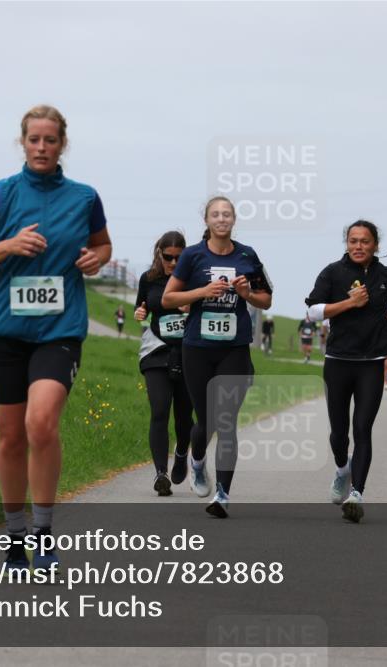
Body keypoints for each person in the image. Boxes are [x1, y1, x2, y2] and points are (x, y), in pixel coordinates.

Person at [0, 104, 112, 572]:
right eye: (33, 140)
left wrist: (97, 259)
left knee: (40, 423)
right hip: (7, 329)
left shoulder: (84, 197)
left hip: (60, 330)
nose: (42, 148)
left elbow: (103, 243)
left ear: (63, 144)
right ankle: (15, 535)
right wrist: (8, 245)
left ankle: (43, 532)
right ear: (21, 143)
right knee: (10, 438)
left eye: (50, 140)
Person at [161, 196, 273, 518]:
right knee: (206, 418)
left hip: (234, 349)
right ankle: (197, 461)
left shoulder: (247, 255)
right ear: (207, 220)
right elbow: (169, 298)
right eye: (215, 214)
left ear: (234, 219)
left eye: (227, 214)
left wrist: (247, 294)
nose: (221, 219)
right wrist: (202, 292)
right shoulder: (193, 255)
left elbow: (266, 300)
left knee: (225, 421)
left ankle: (223, 495)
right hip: (196, 348)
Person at [304, 220, 387, 523]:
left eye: (365, 241)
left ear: (375, 244)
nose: (359, 246)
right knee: (339, 432)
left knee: (362, 427)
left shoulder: (384, 275)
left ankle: (357, 494)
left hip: (373, 361)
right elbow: (312, 311)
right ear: (346, 243)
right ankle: (341, 469)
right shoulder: (333, 273)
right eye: (353, 241)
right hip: (338, 360)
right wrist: (348, 303)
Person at [134, 232, 195, 495]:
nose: (172, 262)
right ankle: (161, 473)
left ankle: (181, 453)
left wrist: (191, 307)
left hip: (187, 352)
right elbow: (142, 306)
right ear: (159, 254)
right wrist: (141, 312)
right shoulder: (149, 279)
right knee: (160, 410)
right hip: (156, 350)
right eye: (167, 257)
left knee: (183, 417)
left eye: (177, 258)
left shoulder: (192, 278)